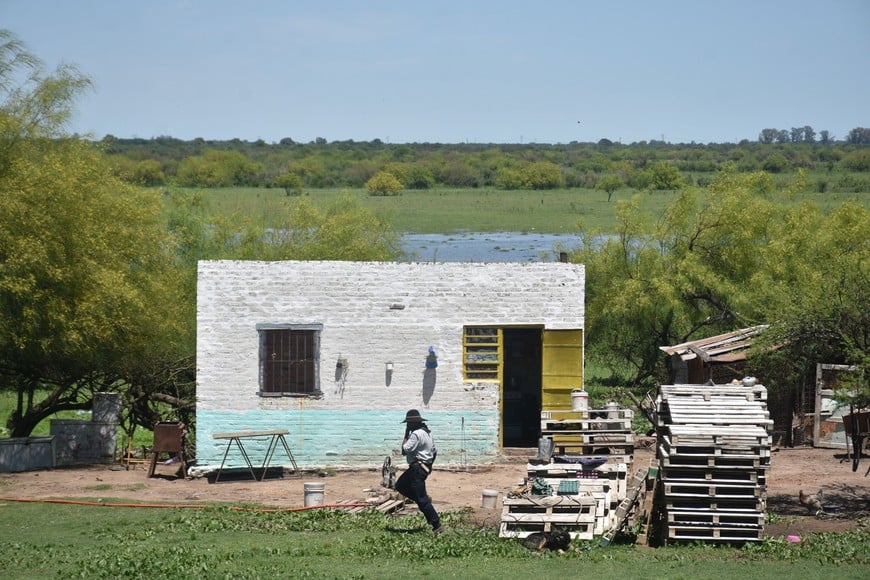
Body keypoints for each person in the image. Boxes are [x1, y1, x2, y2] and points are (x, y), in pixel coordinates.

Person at [395, 409, 442, 535]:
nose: (407, 426)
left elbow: (404, 450)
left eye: (408, 424)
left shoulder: (415, 434)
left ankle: (436, 524)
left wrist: (406, 434)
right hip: (422, 467)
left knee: (421, 498)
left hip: (417, 468)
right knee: (400, 485)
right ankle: (423, 501)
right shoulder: (428, 432)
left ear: (412, 424)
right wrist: (429, 466)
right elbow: (435, 451)